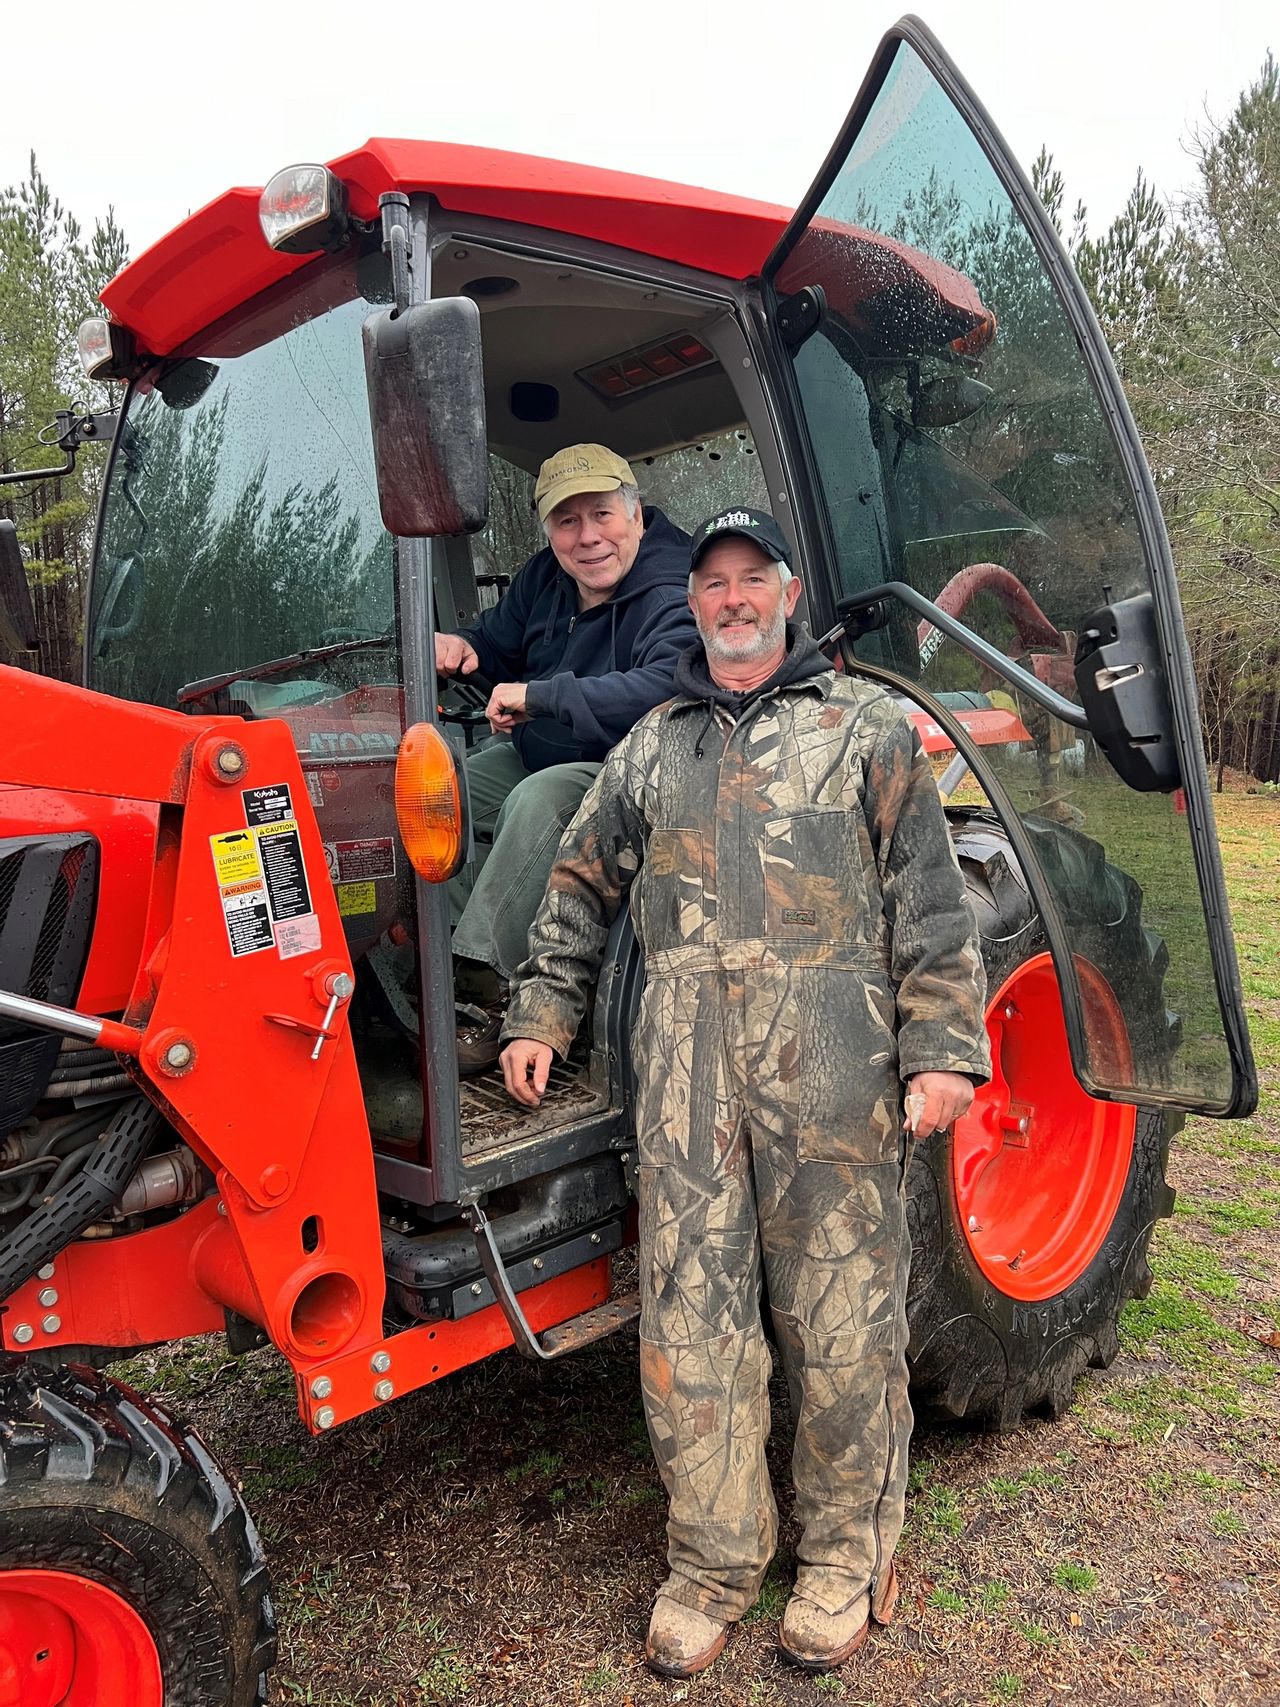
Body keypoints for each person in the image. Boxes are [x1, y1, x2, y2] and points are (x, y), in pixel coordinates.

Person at [498, 507, 990, 1677]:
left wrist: (940, 1049)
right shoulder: (653, 744)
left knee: (838, 1315)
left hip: (832, 1067)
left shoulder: (864, 728)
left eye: (748, 579)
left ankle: (839, 1558)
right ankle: (712, 1562)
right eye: (711, 582)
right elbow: (577, 877)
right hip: (681, 1080)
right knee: (688, 1319)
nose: (727, 598)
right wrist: (542, 1009)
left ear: (784, 592)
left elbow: (928, 903)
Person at [437, 443, 695, 1071]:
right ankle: (431, 961)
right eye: (567, 521)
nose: (588, 537)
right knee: (444, 788)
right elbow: (497, 642)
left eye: (602, 515)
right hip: (539, 749)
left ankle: (487, 987)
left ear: (635, 514)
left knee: (539, 801)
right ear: (549, 530)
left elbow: (665, 685)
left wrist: (544, 696)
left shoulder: (675, 587)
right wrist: (464, 647)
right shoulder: (545, 580)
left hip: (632, 769)